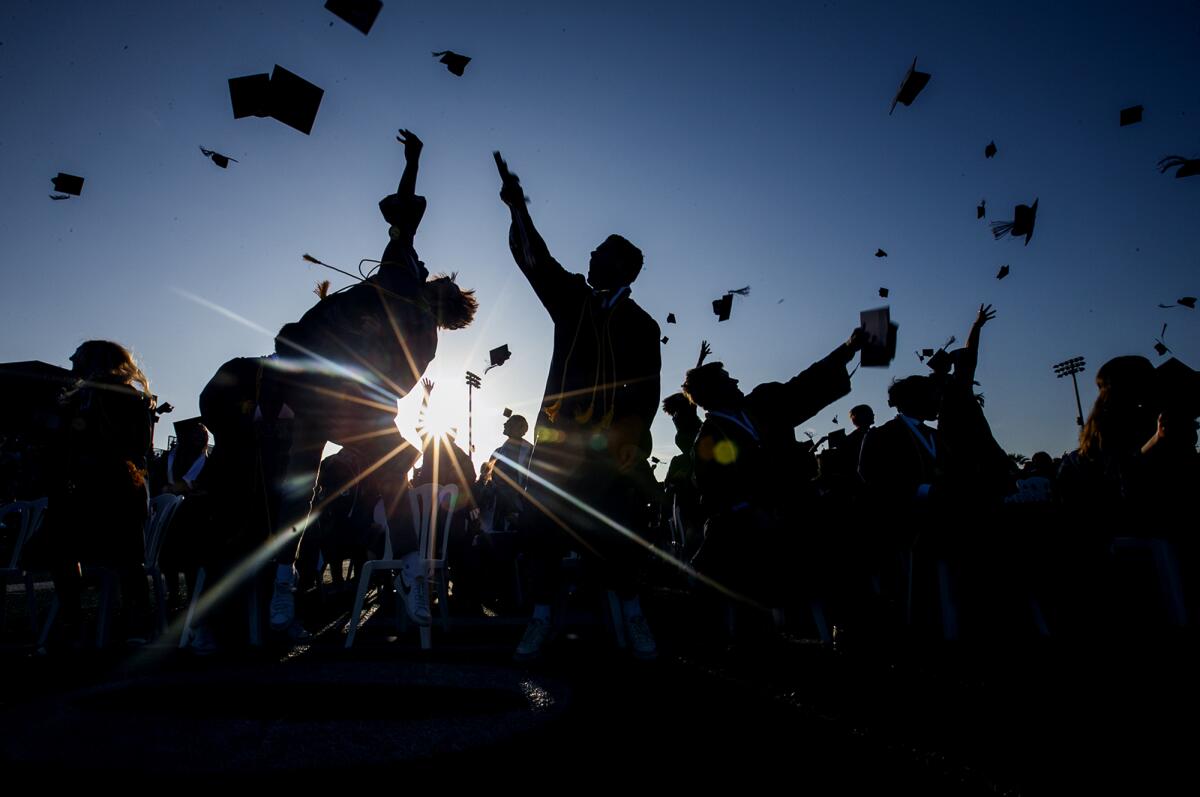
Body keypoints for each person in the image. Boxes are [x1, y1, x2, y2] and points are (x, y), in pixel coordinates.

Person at [200, 129, 477, 638]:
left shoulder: (401, 279)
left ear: (439, 295)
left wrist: (413, 160)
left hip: (334, 398)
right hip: (334, 397)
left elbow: (406, 219)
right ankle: (396, 572)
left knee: (301, 496)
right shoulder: (417, 317)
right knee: (343, 483)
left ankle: (294, 584)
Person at [497, 153, 661, 661]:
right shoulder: (572, 300)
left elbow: (647, 391)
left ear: (622, 266)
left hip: (609, 447)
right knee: (543, 532)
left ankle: (633, 617)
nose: (590, 255)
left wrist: (630, 438)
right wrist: (517, 208)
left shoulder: (642, 326)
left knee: (615, 534)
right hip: (558, 442)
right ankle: (541, 620)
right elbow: (537, 260)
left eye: (600, 252)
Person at [681, 330, 865, 608]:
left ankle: (841, 618)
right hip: (752, 521)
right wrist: (754, 510)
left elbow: (804, 384)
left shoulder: (763, 403)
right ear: (713, 391)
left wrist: (848, 349)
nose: (736, 380)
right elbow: (716, 493)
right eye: (727, 378)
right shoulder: (708, 439)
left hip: (796, 504)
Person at [43, 340, 156, 643]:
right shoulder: (78, 398)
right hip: (88, 490)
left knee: (126, 560)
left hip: (114, 489)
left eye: (78, 355)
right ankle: (79, 620)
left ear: (95, 361)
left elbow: (138, 447)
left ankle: (121, 623)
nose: (71, 358)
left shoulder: (122, 397)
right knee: (64, 551)